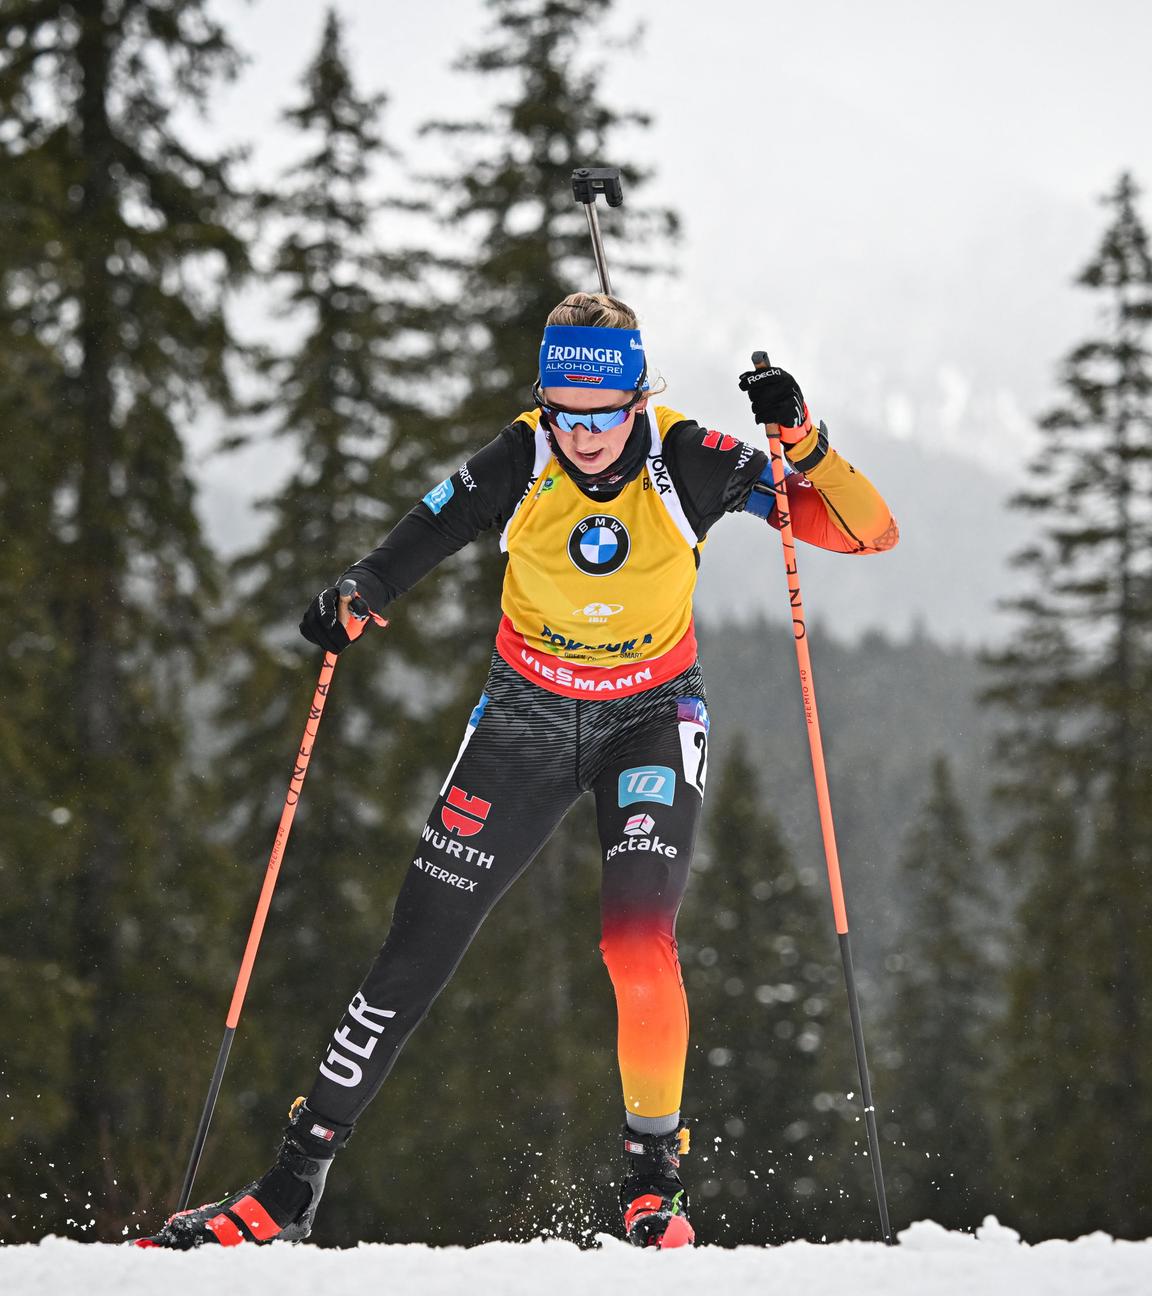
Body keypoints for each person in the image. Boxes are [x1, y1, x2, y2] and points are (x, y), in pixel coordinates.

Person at [142, 292, 897, 1251]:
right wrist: (360, 594)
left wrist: (807, 441)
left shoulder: (689, 460)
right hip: (526, 718)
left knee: (635, 942)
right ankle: (291, 1185)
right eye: (565, 412)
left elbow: (866, 532)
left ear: (639, 397)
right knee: (413, 948)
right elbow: (427, 529)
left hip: (652, 719)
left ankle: (650, 1184)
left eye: (606, 412)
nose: (584, 435)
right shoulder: (522, 455)